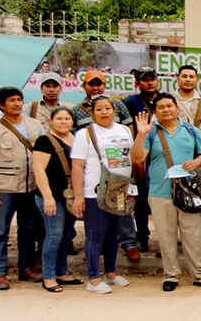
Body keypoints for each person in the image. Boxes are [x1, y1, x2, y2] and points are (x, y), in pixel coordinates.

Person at [130, 93, 201, 291]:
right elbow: (137, 158)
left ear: (177, 108)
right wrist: (141, 134)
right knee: (166, 237)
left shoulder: (191, 129)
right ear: (155, 112)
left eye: (169, 106)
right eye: (161, 107)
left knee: (193, 236)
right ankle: (171, 275)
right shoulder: (150, 133)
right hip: (160, 193)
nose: (166, 110)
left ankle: (200, 274)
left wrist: (195, 163)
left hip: (188, 192)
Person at [0, 86, 46, 290]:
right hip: (4, 189)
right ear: (1, 105)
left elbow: (42, 155)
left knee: (28, 230)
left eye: (19, 99)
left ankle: (25, 269)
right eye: (11, 100)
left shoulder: (35, 125)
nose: (17, 104)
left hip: (30, 187)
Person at [70, 95, 134, 294]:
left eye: (108, 108)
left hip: (120, 191)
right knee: (95, 234)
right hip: (94, 191)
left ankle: (111, 273)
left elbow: (131, 158)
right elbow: (77, 166)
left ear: (114, 110)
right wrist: (79, 196)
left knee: (114, 234)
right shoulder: (85, 134)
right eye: (99, 109)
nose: (104, 112)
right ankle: (93, 278)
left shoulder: (124, 130)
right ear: (92, 112)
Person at [29, 105, 82, 293]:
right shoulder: (44, 141)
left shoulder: (75, 139)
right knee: (53, 235)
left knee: (66, 235)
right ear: (51, 121)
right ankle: (49, 276)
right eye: (59, 119)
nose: (63, 122)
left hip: (69, 195)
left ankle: (60, 272)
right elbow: (39, 169)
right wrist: (48, 197)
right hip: (51, 197)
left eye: (67, 119)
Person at [173, 65, 201, 254]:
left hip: (200, 156)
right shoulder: (170, 101)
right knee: (173, 199)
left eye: (191, 76)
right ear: (177, 79)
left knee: (200, 198)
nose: (188, 79)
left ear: (197, 80)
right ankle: (174, 241)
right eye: (184, 76)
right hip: (174, 158)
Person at [122, 67, 159, 254]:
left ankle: (167, 240)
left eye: (153, 79)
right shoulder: (129, 103)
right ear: (138, 83)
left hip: (161, 153)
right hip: (140, 155)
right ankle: (142, 237)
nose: (150, 82)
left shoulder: (164, 101)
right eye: (145, 80)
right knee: (141, 198)